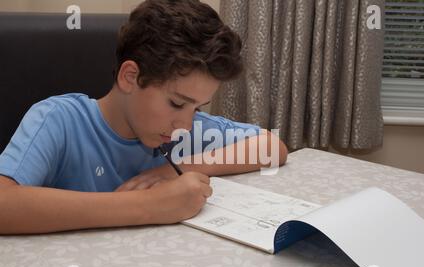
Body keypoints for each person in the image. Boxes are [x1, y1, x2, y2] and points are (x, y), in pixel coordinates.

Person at [0, 0, 288, 234]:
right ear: (130, 77)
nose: (186, 127)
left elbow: (272, 148)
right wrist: (149, 205)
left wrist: (174, 170)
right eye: (177, 103)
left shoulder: (183, 132)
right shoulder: (59, 120)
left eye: (198, 108)